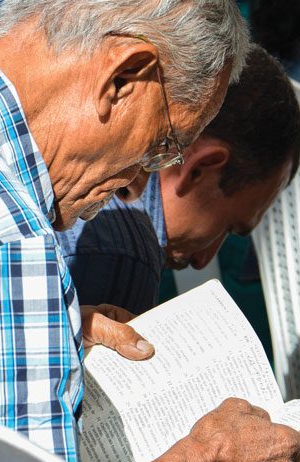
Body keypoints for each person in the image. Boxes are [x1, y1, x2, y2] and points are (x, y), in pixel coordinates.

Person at [0, 2, 297, 462]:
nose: (135, 183)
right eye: (161, 146)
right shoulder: (5, 249)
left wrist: (42, 327)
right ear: (124, 78)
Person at [57, 44, 300, 314]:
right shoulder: (126, 255)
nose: (202, 260)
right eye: (228, 228)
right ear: (198, 169)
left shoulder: (61, 146)